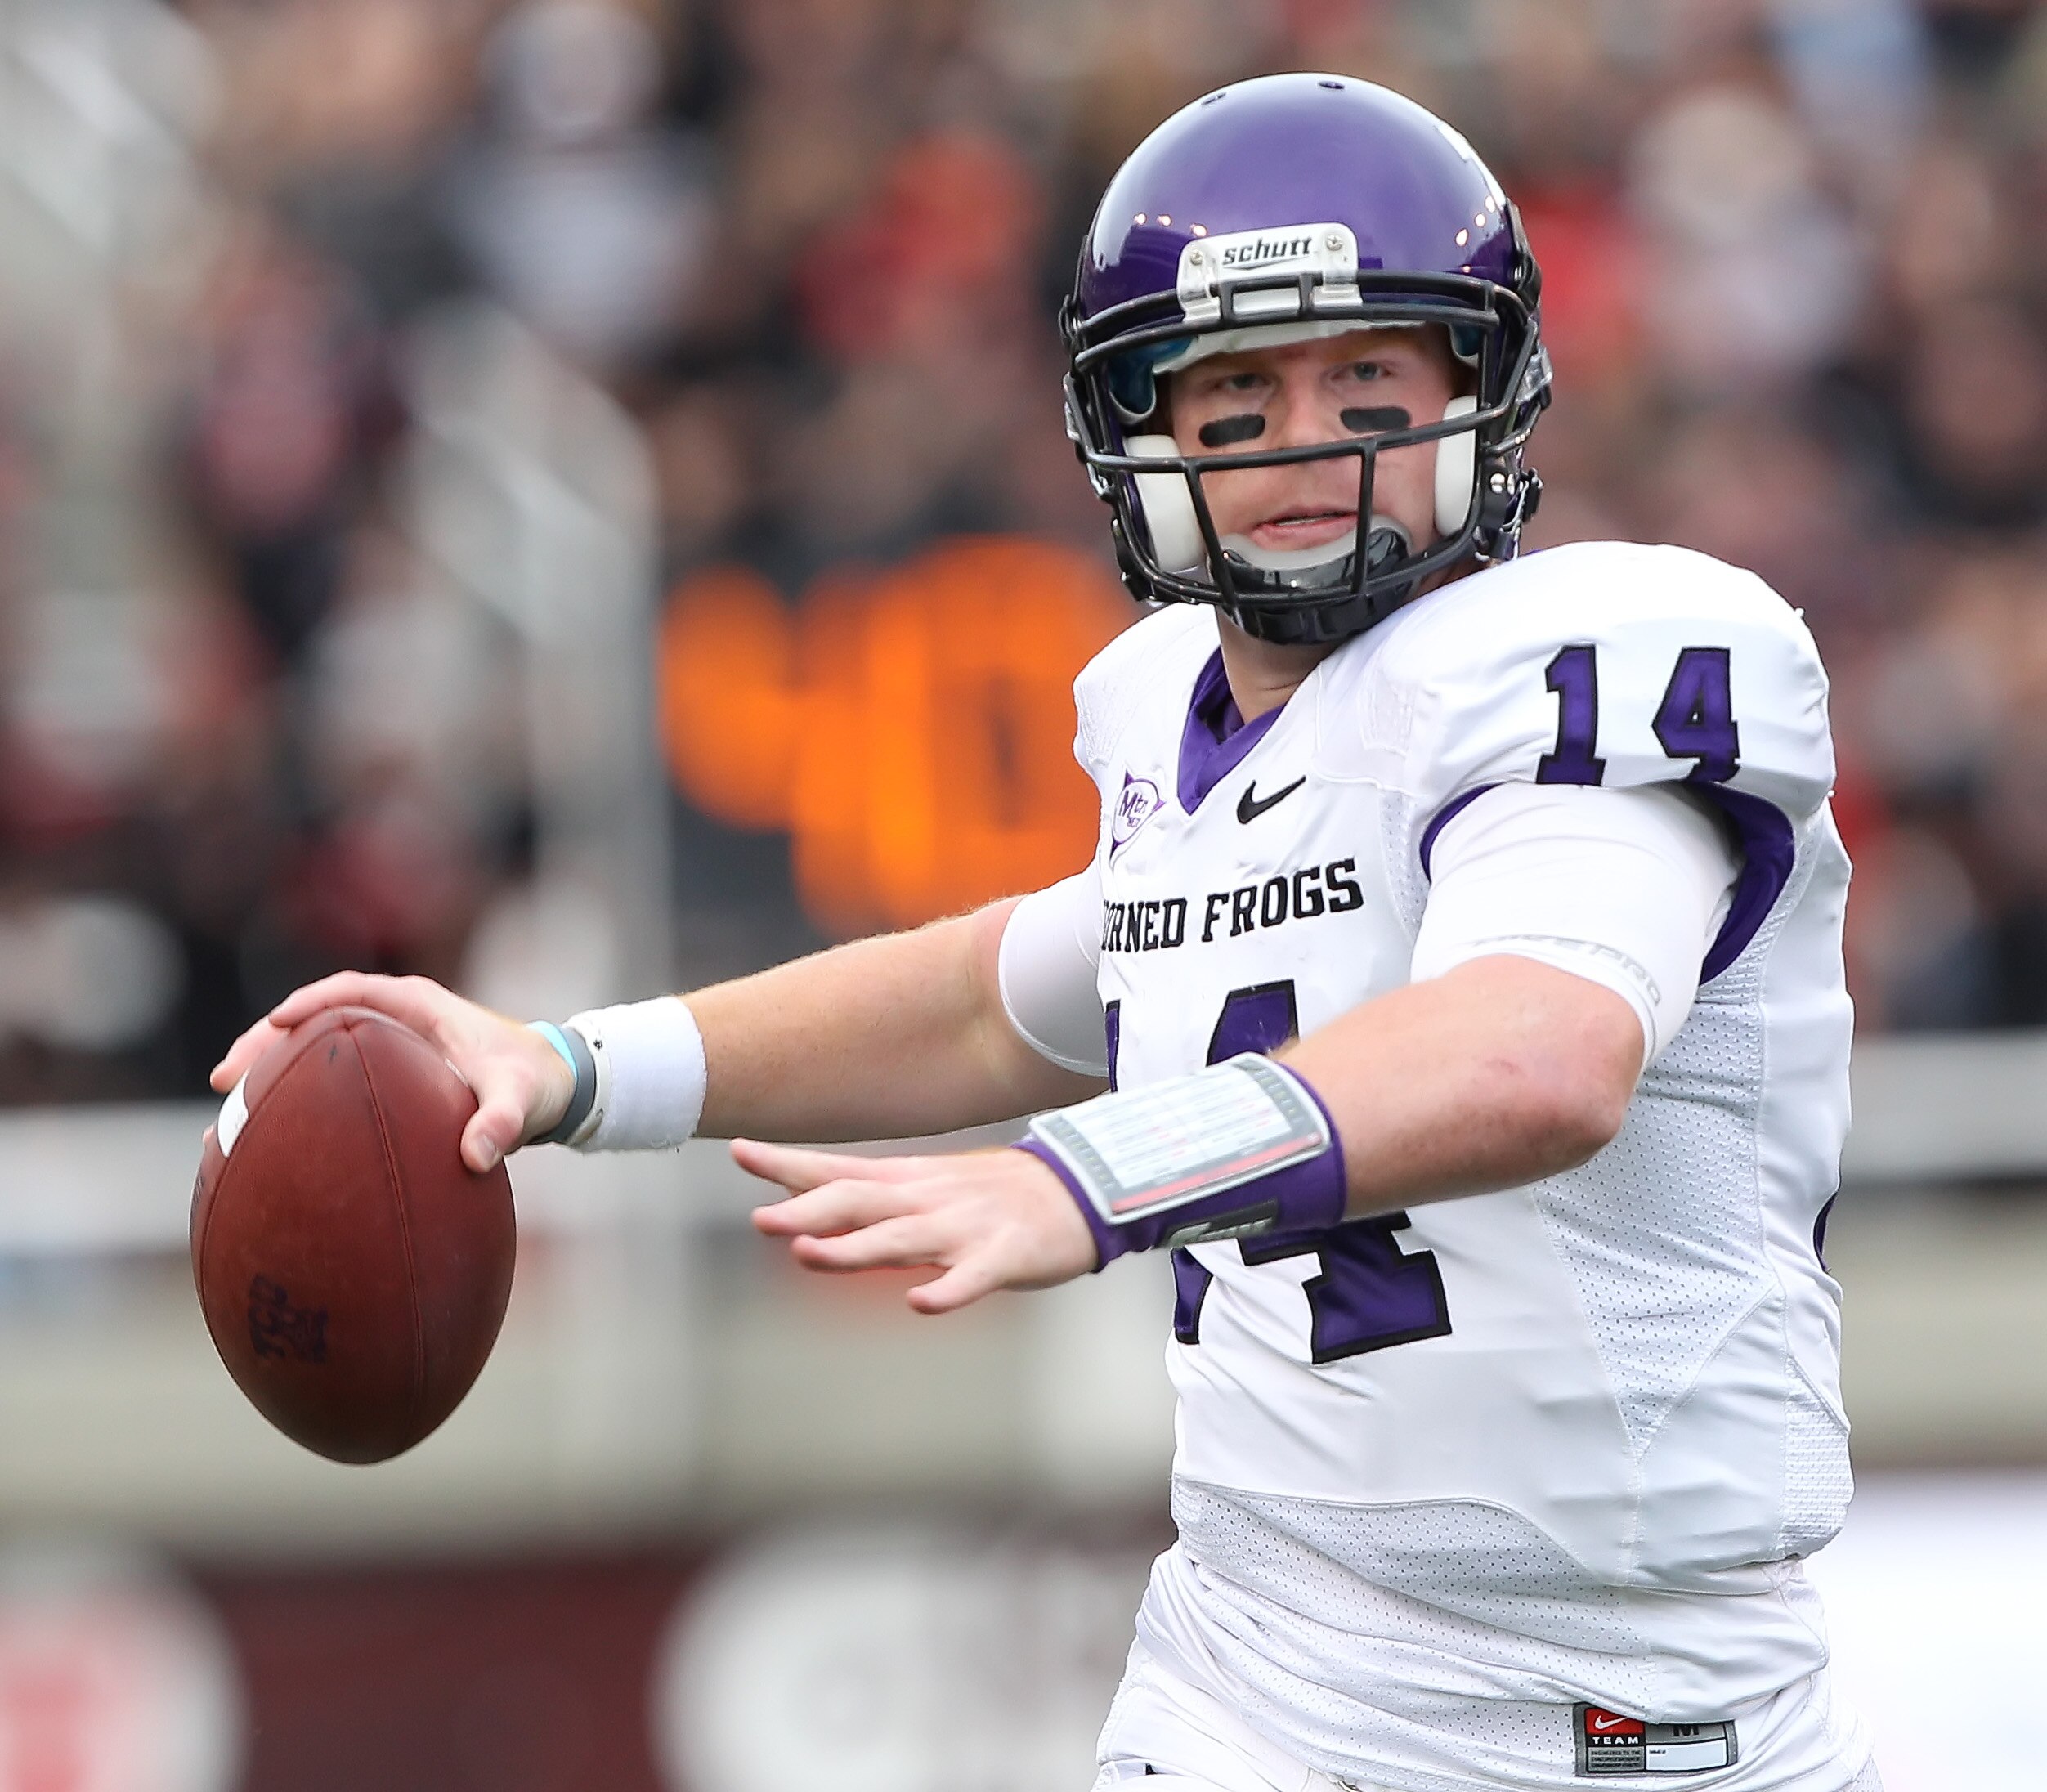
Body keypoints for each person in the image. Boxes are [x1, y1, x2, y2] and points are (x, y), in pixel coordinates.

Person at [214, 75, 1879, 1792]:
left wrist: (1078, 1180)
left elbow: (1536, 1055)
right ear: (1133, 431)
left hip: (1627, 1714)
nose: (1305, 440)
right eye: (1237, 390)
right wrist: (561, 1066)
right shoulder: (1176, 715)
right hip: (1254, 1662)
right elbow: (994, 996)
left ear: (1484, 391)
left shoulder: (1598, 659)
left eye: (1364, 379)